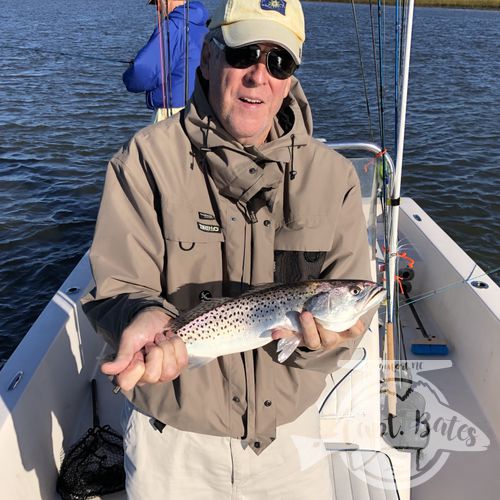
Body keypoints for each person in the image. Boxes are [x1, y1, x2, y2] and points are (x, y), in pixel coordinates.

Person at [83, 0, 374, 497]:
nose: (259, 76)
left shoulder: (336, 178)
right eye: (244, 54)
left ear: (291, 75)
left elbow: (348, 319)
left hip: (289, 443)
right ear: (209, 56)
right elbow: (116, 286)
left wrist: (333, 337)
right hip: (173, 449)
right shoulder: (144, 161)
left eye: (278, 61)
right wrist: (143, 317)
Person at [122, 0, 209, 122]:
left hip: (172, 114)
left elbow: (142, 72)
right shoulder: (204, 25)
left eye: (157, 2)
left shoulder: (173, 26)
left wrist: (129, 74)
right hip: (201, 110)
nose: (158, 8)